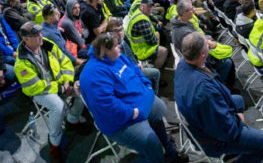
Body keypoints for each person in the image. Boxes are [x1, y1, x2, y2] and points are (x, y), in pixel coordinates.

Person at [79, 32, 186, 163]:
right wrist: (132, 113)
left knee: (158, 117)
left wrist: (147, 85)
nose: (120, 47)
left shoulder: (117, 56)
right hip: (120, 120)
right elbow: (108, 107)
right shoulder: (93, 74)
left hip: (138, 103)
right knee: (150, 142)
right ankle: (157, 156)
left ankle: (170, 154)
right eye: (116, 46)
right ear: (106, 50)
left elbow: (135, 70)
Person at [174, 32, 263, 163]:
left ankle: (239, 147)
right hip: (211, 140)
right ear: (203, 54)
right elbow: (225, 130)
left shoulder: (183, 64)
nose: (209, 44)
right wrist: (239, 121)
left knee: (239, 100)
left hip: (203, 119)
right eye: (207, 44)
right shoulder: (203, 91)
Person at [14, 22, 87, 162]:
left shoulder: (46, 44)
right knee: (58, 106)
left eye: (40, 33)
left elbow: (65, 62)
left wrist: (68, 82)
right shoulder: (21, 63)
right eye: (35, 35)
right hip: (40, 92)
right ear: (26, 39)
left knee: (81, 87)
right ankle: (55, 144)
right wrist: (61, 88)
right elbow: (35, 86)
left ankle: (72, 119)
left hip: (60, 83)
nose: (40, 36)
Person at [171, 0, 235, 88]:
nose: (193, 11)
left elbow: (196, 36)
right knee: (227, 62)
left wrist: (205, 39)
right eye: (190, 9)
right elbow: (196, 50)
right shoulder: (184, 32)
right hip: (198, 58)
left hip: (196, 52)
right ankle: (221, 85)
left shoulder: (182, 22)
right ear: (183, 12)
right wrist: (208, 44)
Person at [126, 0, 168, 69]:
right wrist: (156, 41)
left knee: (157, 33)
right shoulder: (141, 20)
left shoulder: (139, 12)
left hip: (138, 45)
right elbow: (152, 41)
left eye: (151, 7)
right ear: (142, 7)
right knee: (164, 51)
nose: (150, 9)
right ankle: (154, 73)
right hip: (140, 50)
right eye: (148, 7)